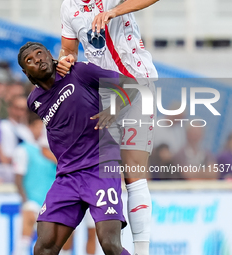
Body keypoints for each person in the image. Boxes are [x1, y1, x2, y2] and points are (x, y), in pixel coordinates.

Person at [57, 0, 159, 254]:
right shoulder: (68, 7)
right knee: (102, 175)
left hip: (138, 83)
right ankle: (109, 246)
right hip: (103, 93)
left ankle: (142, 251)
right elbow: (68, 49)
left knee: (133, 171)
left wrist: (114, 11)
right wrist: (65, 61)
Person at [18, 42, 131, 255]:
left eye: (40, 54)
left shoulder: (79, 71)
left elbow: (127, 84)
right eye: (30, 61)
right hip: (67, 176)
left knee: (109, 244)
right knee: (43, 247)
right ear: (26, 73)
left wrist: (114, 109)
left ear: (50, 55)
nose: (37, 60)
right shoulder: (34, 101)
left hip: (99, 167)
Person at [13, 112, 56, 255]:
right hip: (33, 200)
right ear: (30, 127)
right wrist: (25, 202)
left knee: (50, 242)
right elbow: (18, 178)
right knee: (25, 238)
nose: (40, 131)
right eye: (37, 127)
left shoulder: (50, 151)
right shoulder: (23, 150)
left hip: (49, 202)